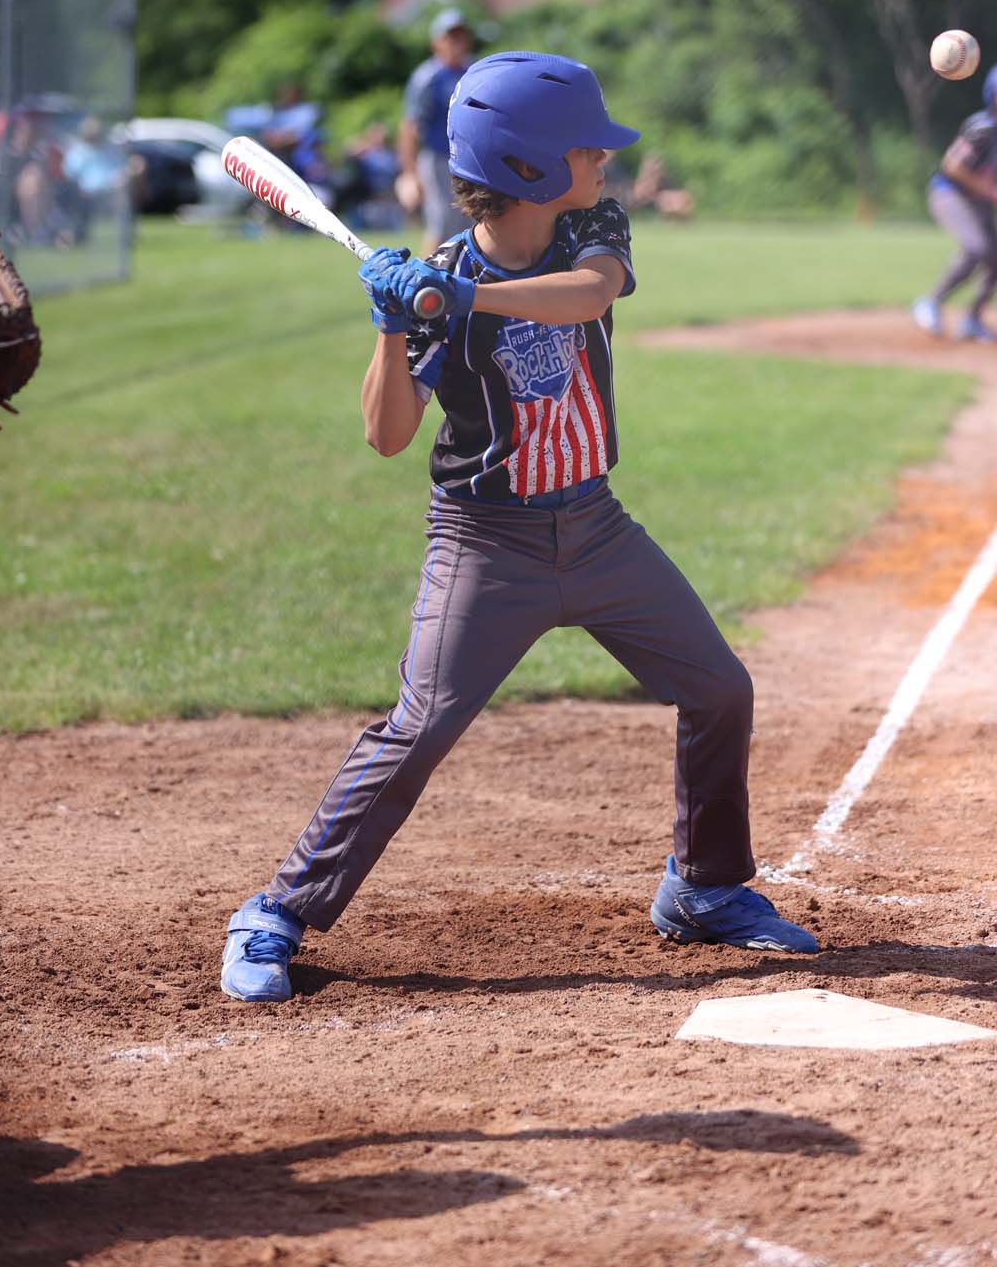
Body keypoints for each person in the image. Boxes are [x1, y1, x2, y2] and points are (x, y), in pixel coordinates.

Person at [221, 50, 817, 1004]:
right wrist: (392, 322)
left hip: (597, 527)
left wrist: (465, 297)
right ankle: (278, 911)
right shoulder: (435, 282)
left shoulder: (589, 228)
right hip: (484, 542)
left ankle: (704, 888)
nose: (606, 160)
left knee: (719, 689)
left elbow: (588, 295)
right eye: (588, 147)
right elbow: (387, 435)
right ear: (529, 168)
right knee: (420, 727)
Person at [912, 64, 997, 343]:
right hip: (950, 194)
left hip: (979, 201)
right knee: (975, 248)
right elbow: (952, 166)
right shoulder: (982, 127)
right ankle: (930, 303)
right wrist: (989, 190)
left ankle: (972, 320)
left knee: (995, 259)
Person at [397, 7, 474, 255]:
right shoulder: (428, 77)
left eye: (460, 36)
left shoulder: (474, 71)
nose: (456, 42)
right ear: (436, 43)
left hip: (470, 159)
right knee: (442, 222)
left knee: (473, 222)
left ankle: (463, 274)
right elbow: (410, 126)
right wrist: (409, 174)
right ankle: (426, 275)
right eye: (450, 37)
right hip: (439, 159)